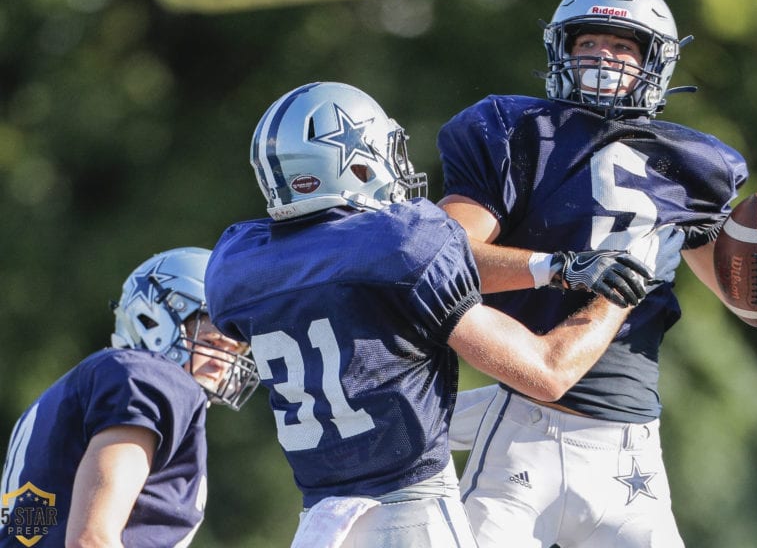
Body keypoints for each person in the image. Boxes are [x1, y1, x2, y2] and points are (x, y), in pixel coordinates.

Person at [437, 0, 757, 547]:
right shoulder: (517, 131)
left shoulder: (693, 163)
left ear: (654, 61)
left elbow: (748, 301)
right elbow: (441, 263)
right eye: (588, 44)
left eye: (622, 46)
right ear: (561, 52)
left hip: (631, 451)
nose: (604, 57)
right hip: (522, 428)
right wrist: (560, 265)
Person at [203, 81, 654, 548]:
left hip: (320, 526)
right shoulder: (401, 240)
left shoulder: (239, 262)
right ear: (348, 160)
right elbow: (547, 372)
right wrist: (624, 292)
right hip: (411, 520)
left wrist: (557, 267)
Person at [1, 247, 259, 548]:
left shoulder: (58, 399)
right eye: (213, 341)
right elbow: (92, 539)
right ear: (153, 318)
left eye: (235, 350)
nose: (223, 362)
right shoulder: (153, 378)